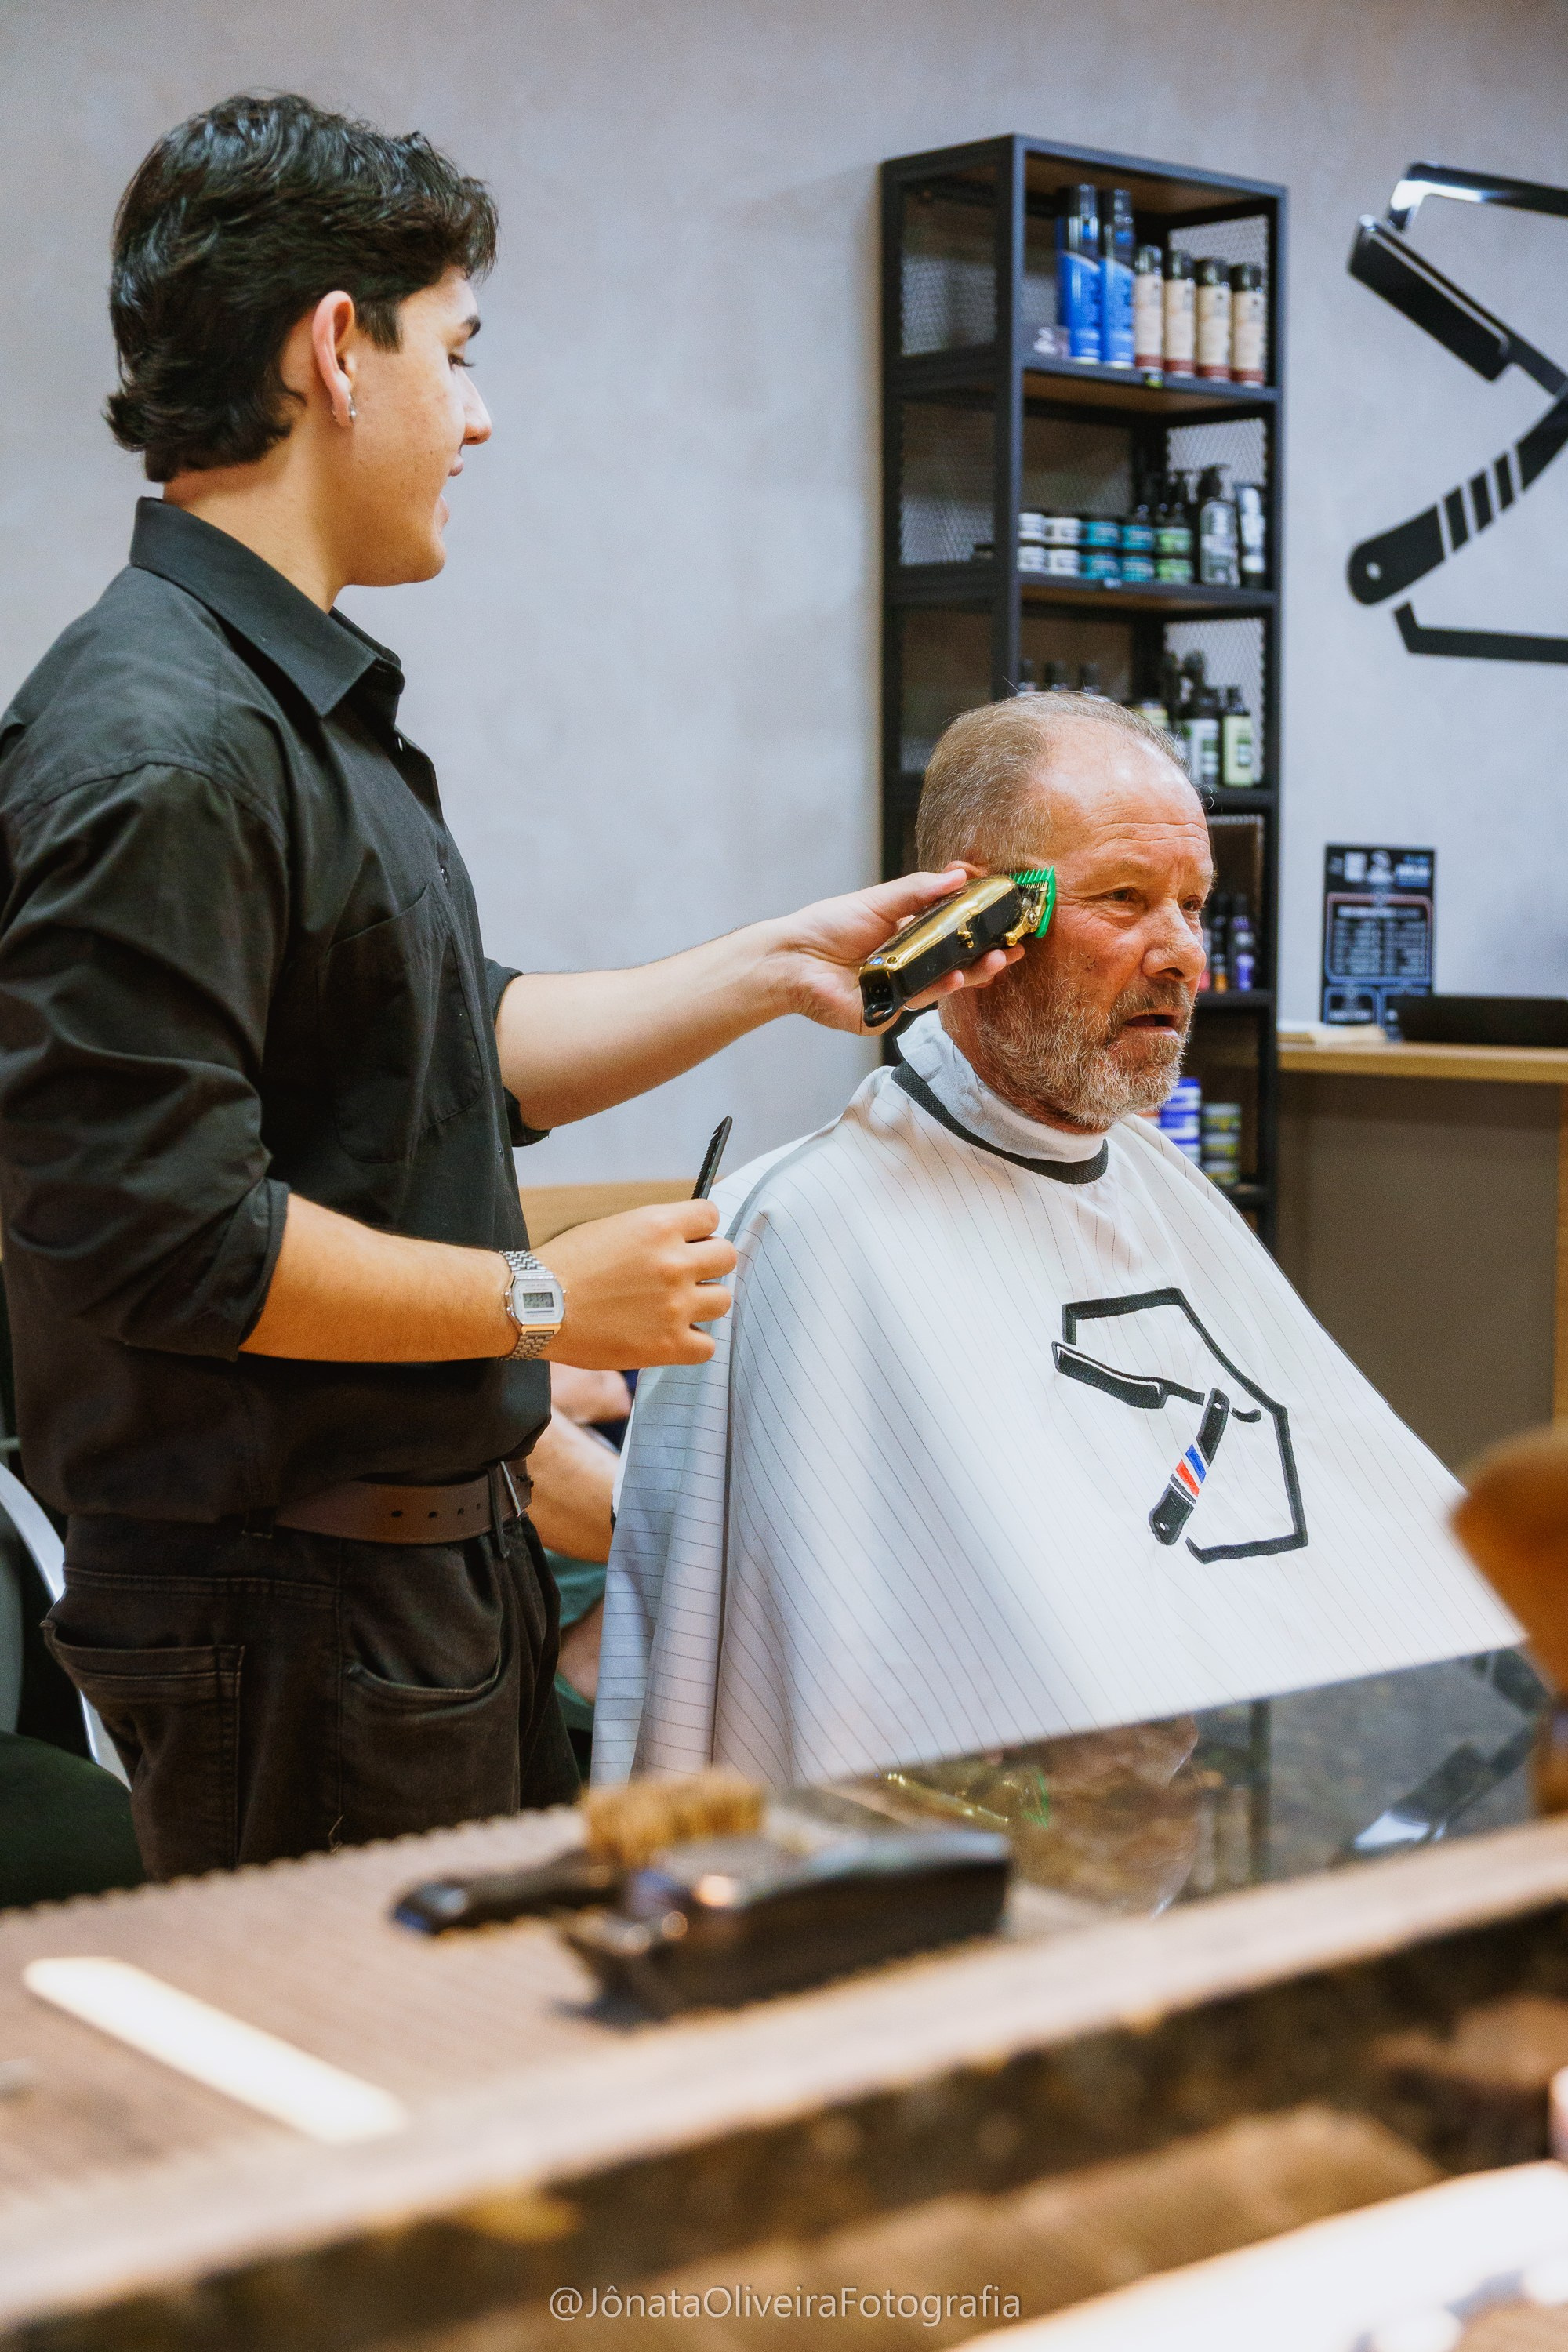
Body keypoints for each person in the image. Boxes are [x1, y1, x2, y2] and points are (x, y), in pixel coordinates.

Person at [0, 94, 1014, 1879]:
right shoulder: (160, 748)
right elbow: (156, 1235)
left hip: (406, 1590)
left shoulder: (282, 711)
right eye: (455, 355)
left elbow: (449, 1049)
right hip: (288, 1615)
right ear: (336, 350)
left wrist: (769, 970)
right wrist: (542, 1302)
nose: (479, 414)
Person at [597, 694, 1517, 1788]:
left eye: (1195, 906)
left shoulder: (1163, 1187)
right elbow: (816, 1683)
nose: (1183, 958)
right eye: (1126, 900)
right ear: (980, 915)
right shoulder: (808, 1226)